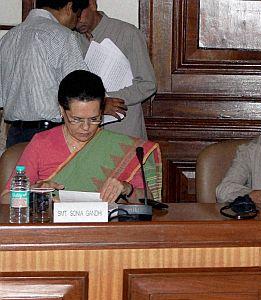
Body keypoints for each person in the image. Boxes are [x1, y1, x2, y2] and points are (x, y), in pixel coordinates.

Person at [1, 70, 162, 204]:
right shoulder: (41, 143)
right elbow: (6, 198)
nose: (85, 128)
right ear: (62, 111)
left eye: (94, 119)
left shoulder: (119, 147)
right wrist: (38, 194)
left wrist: (126, 188)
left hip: (105, 233)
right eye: (76, 119)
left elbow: (149, 201)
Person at [0, 0, 90, 148]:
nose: (76, 22)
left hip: (15, 134)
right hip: (50, 133)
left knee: (20, 171)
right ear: (69, 7)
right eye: (77, 14)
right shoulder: (63, 36)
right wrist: (104, 103)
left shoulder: (9, 37)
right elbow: (80, 90)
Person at [75, 0, 157, 139]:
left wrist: (106, 100)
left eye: (80, 14)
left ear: (92, 5)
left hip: (124, 127)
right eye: (73, 14)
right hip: (85, 132)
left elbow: (147, 84)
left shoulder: (127, 33)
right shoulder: (71, 38)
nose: (77, 21)